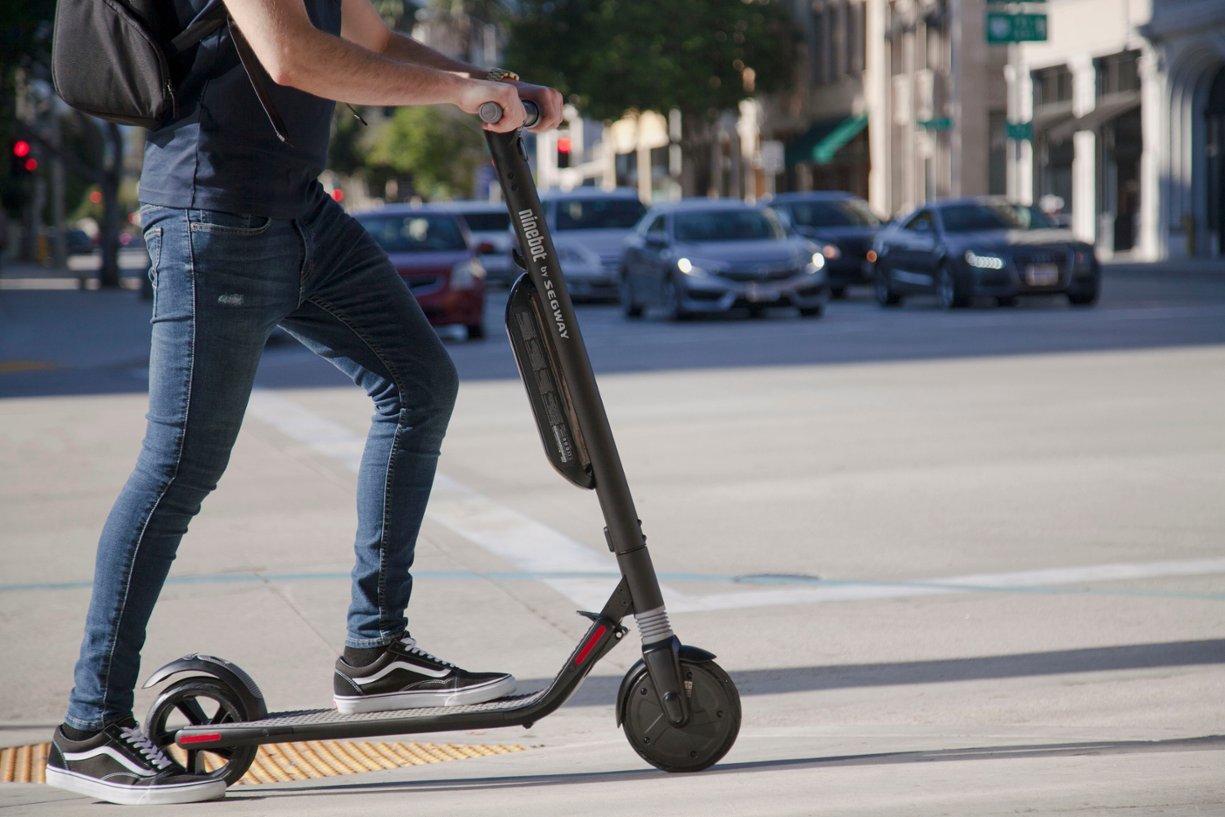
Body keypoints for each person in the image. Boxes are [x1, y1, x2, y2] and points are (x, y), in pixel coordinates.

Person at [44, 0, 562, 806]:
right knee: (179, 464)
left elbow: (373, 40)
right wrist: (454, 94)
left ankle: (376, 651)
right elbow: (292, 56)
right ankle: (89, 729)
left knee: (419, 384)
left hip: (301, 214)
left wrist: (491, 82)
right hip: (209, 215)